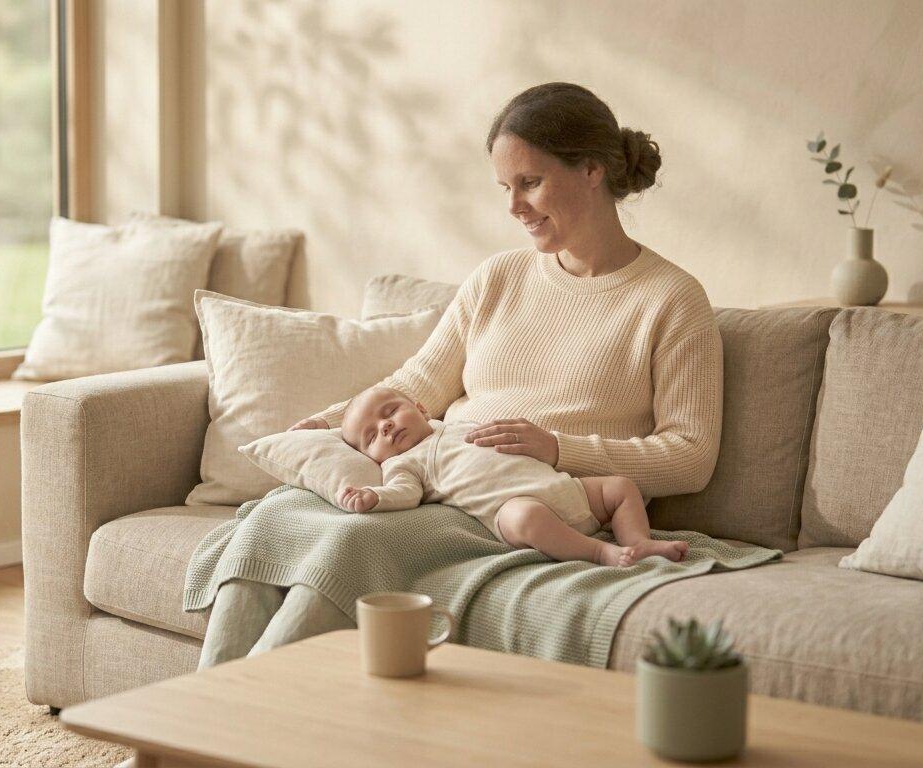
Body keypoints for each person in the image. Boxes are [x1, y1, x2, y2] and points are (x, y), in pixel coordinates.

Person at [197, 81, 723, 669]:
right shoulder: (498, 277)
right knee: (276, 518)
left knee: (352, 541)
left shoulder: (672, 300)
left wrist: (558, 449)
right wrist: (319, 426)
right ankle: (187, 735)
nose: (514, 207)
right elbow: (419, 383)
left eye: (530, 182)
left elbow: (692, 454)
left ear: (593, 170)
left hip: (518, 508)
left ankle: (223, 735)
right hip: (437, 477)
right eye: (506, 187)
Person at [334, 384, 689, 566]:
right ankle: (599, 553)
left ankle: (636, 542)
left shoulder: (456, 425)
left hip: (562, 487)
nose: (385, 426)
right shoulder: (404, 463)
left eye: (391, 411)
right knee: (528, 517)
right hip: (513, 508)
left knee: (621, 487)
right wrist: (374, 496)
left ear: (420, 408)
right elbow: (405, 492)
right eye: (370, 436)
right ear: (370, 457)